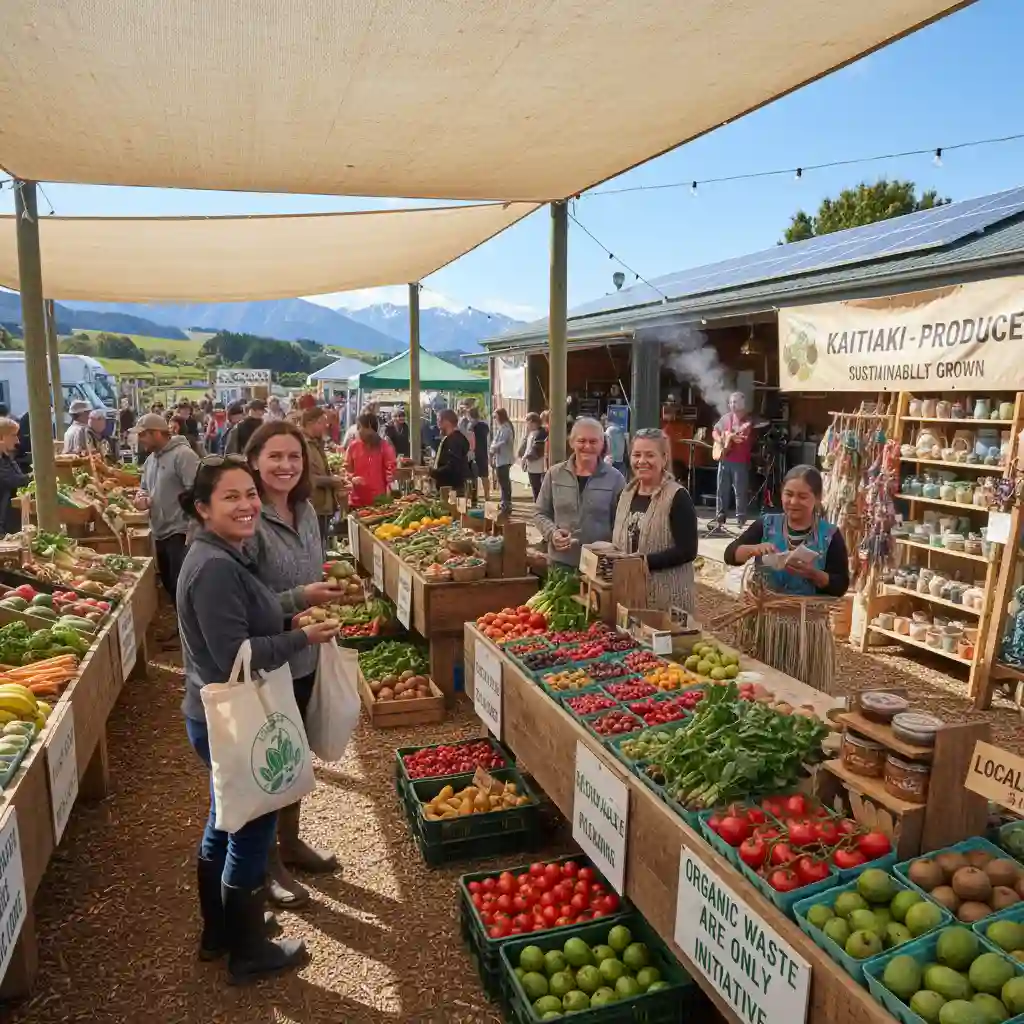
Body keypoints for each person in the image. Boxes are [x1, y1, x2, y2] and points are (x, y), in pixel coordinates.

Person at [177, 457, 340, 984]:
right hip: (232, 713)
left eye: (250, 494)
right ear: (203, 508)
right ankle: (247, 950)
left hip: (212, 710)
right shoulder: (215, 567)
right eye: (231, 497)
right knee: (252, 825)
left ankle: (220, 931)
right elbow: (233, 655)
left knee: (226, 816)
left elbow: (246, 621)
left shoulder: (220, 554)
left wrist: (289, 613)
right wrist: (300, 638)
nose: (247, 504)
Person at [246, 421, 345, 908]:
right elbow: (243, 599)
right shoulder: (248, 519)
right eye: (275, 457)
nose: (286, 466)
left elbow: (311, 571)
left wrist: (322, 596)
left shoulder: (305, 510)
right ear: (255, 462)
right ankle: (267, 863)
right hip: (267, 656)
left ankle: (291, 841)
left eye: (294, 457)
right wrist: (298, 599)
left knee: (297, 749)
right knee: (271, 758)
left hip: (305, 647)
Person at [723, 464, 850, 690]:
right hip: (765, 625)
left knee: (803, 692)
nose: (793, 502)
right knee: (761, 690)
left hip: (806, 630)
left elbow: (840, 585)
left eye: (803, 496)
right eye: (788, 495)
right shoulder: (766, 524)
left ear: (817, 499)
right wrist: (754, 549)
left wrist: (815, 575)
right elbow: (731, 555)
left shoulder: (830, 535)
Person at [611, 428, 698, 613]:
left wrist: (643, 562)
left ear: (664, 459)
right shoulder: (625, 495)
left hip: (668, 599)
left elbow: (688, 550)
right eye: (637, 455)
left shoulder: (677, 496)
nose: (642, 461)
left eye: (650, 455)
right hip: (629, 595)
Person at [535, 417, 625, 569]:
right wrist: (552, 533)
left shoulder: (615, 479)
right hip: (561, 562)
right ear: (571, 442)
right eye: (581, 441)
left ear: (602, 444)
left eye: (593, 441)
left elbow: (622, 523)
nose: (587, 446)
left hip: (600, 565)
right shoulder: (555, 474)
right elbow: (540, 513)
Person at [133, 414, 201, 603]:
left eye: (142, 435)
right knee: (170, 584)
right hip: (159, 531)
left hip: (180, 532)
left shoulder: (183, 455)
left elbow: (197, 491)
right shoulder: (150, 461)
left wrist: (193, 528)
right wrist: (141, 499)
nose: (139, 440)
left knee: (183, 586)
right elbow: (144, 489)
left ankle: (188, 629)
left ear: (156, 433)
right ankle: (180, 626)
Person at [302, 406, 345, 543]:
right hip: (314, 505)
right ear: (310, 423)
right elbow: (307, 477)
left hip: (322, 505)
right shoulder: (304, 445)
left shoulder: (315, 443)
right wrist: (333, 481)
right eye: (322, 422)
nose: (326, 426)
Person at [713, 391, 754, 528]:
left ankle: (740, 519)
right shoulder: (725, 418)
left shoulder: (747, 422)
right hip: (724, 459)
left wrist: (731, 438)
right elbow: (715, 431)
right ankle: (720, 516)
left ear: (742, 403)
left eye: (735, 402)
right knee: (721, 489)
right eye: (730, 402)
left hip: (739, 461)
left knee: (739, 490)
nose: (732, 405)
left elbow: (741, 439)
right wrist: (721, 440)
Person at [345, 413, 396, 508]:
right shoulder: (353, 446)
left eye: (360, 427)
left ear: (369, 427)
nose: (357, 431)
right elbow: (346, 469)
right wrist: (352, 478)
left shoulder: (385, 447)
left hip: (378, 502)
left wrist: (389, 491)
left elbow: (390, 472)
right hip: (356, 501)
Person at [0, 418, 29, 534]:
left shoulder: (5, 457)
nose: (17, 440)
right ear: (2, 437)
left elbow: (20, 476)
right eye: (13, 436)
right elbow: (15, 481)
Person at [430, 409, 470, 493]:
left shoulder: (455, 440)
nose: (437, 424)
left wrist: (432, 472)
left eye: (439, 420)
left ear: (447, 422)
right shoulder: (450, 438)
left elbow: (453, 465)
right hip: (447, 487)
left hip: (453, 489)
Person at [489, 408, 515, 515]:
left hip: (504, 459)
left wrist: (493, 448)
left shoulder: (506, 429)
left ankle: (506, 504)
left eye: (496, 417)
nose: (495, 419)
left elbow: (502, 442)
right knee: (503, 482)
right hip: (501, 459)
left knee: (504, 483)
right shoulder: (502, 428)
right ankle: (504, 502)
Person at [519, 412, 548, 500]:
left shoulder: (541, 433)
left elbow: (537, 450)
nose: (527, 425)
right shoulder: (531, 433)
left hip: (538, 467)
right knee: (535, 488)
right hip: (531, 467)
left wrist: (525, 457)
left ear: (532, 422)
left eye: (527, 422)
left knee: (538, 489)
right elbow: (526, 448)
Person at [470, 406, 490, 503]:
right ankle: (487, 495)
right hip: (483, 452)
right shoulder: (485, 426)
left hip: (474, 453)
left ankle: (474, 495)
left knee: (474, 476)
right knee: (484, 476)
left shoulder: (471, 426)